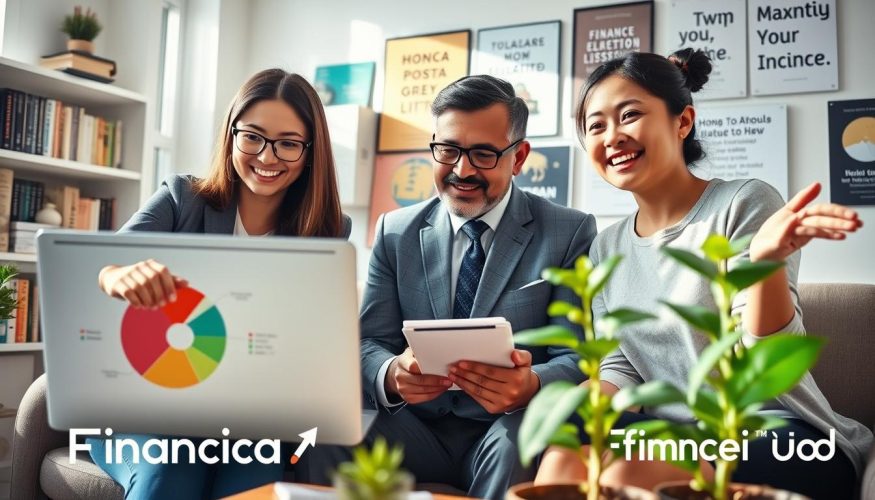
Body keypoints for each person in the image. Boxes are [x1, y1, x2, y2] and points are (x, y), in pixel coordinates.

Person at [534, 48, 873, 500]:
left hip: (780, 434)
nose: (612, 137)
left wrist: (766, 263)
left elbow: (765, 359)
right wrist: (574, 409)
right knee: (564, 452)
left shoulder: (743, 202)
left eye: (629, 115)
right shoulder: (605, 247)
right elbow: (621, 365)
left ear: (683, 122)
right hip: (676, 434)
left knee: (627, 473)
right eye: (596, 126)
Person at [298, 75, 597, 499]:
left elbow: (578, 357)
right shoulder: (395, 231)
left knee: (520, 442)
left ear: (519, 157)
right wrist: (391, 374)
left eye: (483, 154)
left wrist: (531, 384)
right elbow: (368, 341)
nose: (462, 170)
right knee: (325, 427)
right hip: (413, 425)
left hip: (505, 426)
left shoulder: (568, 231)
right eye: (449, 150)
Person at [91, 68, 350, 499]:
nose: (267, 157)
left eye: (288, 143)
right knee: (169, 470)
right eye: (253, 137)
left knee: (255, 486)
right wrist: (116, 275)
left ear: (310, 152)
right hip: (148, 407)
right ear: (231, 136)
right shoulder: (182, 198)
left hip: (253, 418)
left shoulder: (330, 231)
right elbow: (98, 263)